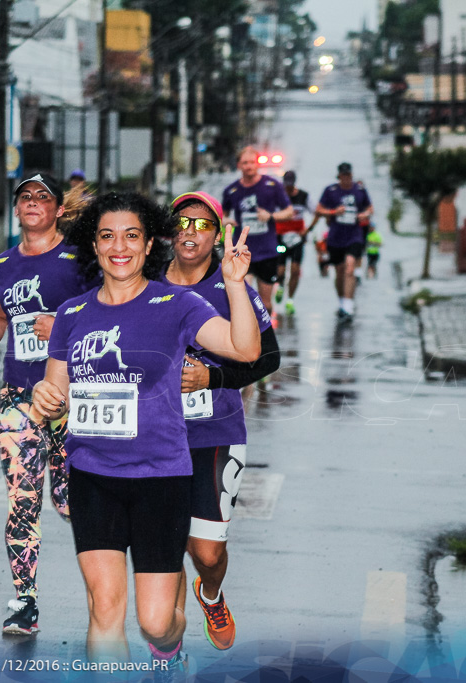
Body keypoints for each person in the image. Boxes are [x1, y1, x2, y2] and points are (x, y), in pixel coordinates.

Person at [30, 193, 260, 674]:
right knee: (104, 608)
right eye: (108, 236)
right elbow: (55, 393)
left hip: (161, 478)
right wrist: (46, 398)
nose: (120, 247)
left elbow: (244, 348)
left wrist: (236, 286)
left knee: (156, 622)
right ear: (93, 245)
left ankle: (170, 648)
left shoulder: (177, 304)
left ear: (149, 242)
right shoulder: (72, 315)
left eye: (131, 236)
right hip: (92, 475)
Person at [0, 172, 91, 635]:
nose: (33, 202)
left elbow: (111, 306)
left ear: (59, 209)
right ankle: (25, 602)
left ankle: (109, 588)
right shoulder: (0, 264)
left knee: (72, 501)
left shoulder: (79, 259)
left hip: (75, 396)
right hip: (19, 398)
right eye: (25, 197)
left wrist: (62, 324)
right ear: (17, 208)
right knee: (22, 499)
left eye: (43, 197)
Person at [164, 192, 280, 650]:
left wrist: (212, 376)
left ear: (216, 235)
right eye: (182, 223)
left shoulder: (231, 287)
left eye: (202, 225)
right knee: (166, 550)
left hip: (215, 433)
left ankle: (211, 594)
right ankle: (167, 647)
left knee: (206, 552)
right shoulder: (142, 280)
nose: (191, 233)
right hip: (154, 436)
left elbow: (267, 358)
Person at [221, 147, 294, 311]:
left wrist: (271, 216)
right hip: (242, 251)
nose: (249, 166)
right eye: (245, 163)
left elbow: (289, 211)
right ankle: (247, 334)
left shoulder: (272, 185)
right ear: (239, 165)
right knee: (244, 299)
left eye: (252, 162)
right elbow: (222, 215)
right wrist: (227, 221)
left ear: (257, 164)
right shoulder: (231, 191)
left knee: (265, 304)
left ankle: (265, 334)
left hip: (267, 251)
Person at [315, 162, 373, 323]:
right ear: (339, 176)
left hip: (354, 236)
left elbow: (370, 208)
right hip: (335, 238)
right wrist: (334, 212)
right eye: (343, 176)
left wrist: (365, 215)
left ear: (352, 176)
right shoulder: (331, 191)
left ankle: (348, 305)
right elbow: (318, 210)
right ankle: (342, 302)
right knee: (339, 272)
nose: (346, 179)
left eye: (349, 176)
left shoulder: (359, 191)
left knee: (349, 267)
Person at [274, 171, 319, 315]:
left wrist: (308, 229)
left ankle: (290, 300)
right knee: (280, 271)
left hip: (297, 240)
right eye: (286, 185)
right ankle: (280, 286)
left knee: (294, 270)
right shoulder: (277, 197)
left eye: (290, 185)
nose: (288, 188)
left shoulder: (303, 196)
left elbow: (317, 213)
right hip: (280, 238)